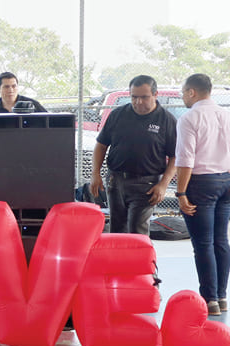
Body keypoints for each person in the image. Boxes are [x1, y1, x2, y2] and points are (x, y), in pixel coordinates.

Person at [89, 75, 178, 236]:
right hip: (116, 181)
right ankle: (119, 262)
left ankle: (141, 261)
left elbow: (175, 157)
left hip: (147, 185)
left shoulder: (167, 120)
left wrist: (163, 184)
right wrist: (95, 173)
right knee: (117, 230)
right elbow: (101, 145)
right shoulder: (118, 115)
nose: (138, 102)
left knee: (137, 230)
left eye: (144, 97)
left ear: (155, 94)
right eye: (134, 97)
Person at [175, 73, 230, 316]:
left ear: (192, 92)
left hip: (201, 182)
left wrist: (181, 192)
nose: (183, 96)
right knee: (221, 240)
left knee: (203, 243)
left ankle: (209, 299)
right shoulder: (227, 115)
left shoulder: (189, 118)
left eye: (183, 92)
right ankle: (221, 296)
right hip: (226, 180)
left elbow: (186, 159)